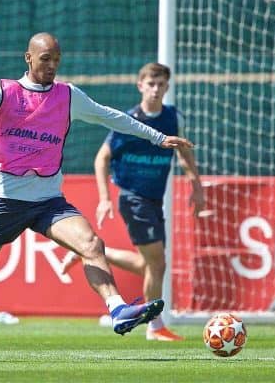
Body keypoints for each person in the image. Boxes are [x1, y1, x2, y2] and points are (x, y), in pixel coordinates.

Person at [0, 33, 194, 356]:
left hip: (49, 201)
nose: (52, 65)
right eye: (45, 59)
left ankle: (116, 308)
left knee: (91, 244)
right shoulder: (4, 92)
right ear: (28, 59)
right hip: (7, 200)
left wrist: (158, 137)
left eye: (57, 59)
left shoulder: (68, 96)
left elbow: (111, 116)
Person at [61, 62, 205, 341]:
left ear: (167, 87)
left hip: (155, 198)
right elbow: (102, 158)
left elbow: (184, 155)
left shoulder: (174, 118)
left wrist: (196, 185)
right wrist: (104, 199)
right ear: (140, 85)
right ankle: (155, 326)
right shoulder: (129, 120)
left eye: (161, 84)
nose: (155, 89)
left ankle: (87, 254)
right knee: (157, 263)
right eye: (150, 83)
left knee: (149, 264)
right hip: (132, 197)